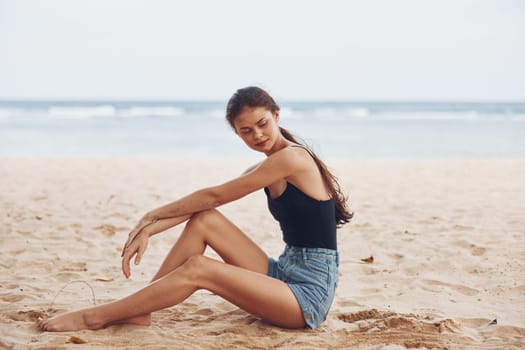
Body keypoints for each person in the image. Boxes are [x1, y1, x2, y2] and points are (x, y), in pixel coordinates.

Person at [37, 86, 352, 332]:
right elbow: (204, 206)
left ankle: (95, 317)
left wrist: (150, 216)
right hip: (284, 273)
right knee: (205, 220)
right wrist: (150, 227)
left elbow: (215, 194)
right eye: (246, 131)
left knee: (199, 267)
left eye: (262, 124)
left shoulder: (290, 159)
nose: (257, 135)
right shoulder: (269, 163)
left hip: (306, 298)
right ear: (236, 132)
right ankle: (141, 309)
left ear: (277, 115)